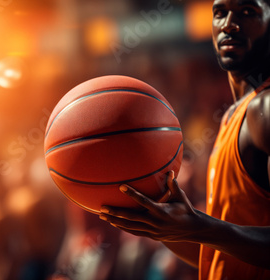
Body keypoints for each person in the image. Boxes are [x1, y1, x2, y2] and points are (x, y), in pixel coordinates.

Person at [98, 0, 270, 279]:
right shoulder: (231, 116)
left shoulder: (266, 109)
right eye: (220, 12)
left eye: (248, 12)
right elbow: (218, 253)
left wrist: (200, 227)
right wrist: (161, 227)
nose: (228, 23)